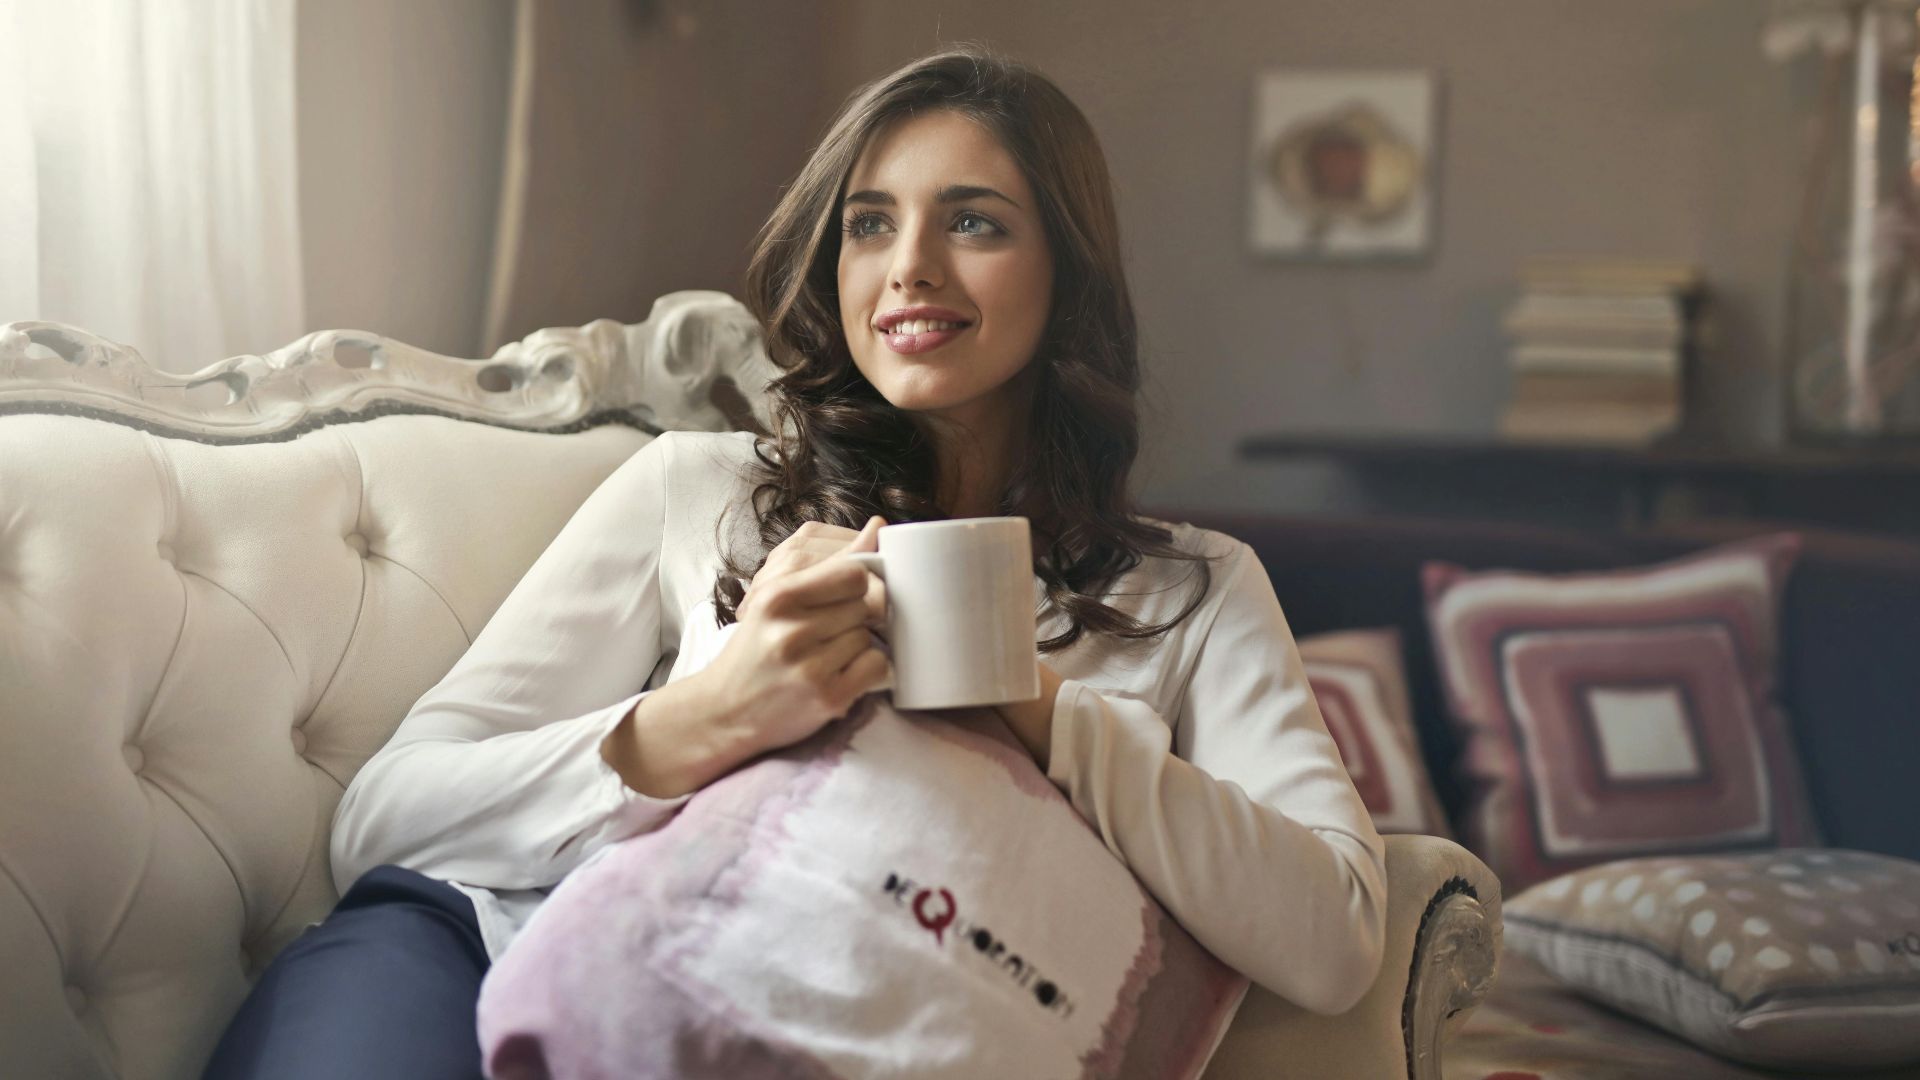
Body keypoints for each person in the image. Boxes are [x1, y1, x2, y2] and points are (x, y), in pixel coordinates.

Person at [201, 45, 1386, 1080]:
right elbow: (385, 819)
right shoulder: (700, 487)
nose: (909, 266)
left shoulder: (1189, 591)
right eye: (870, 222)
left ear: (1066, 272)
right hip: (470, 950)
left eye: (973, 220)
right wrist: (709, 716)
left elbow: (1332, 936)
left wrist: (1042, 711)